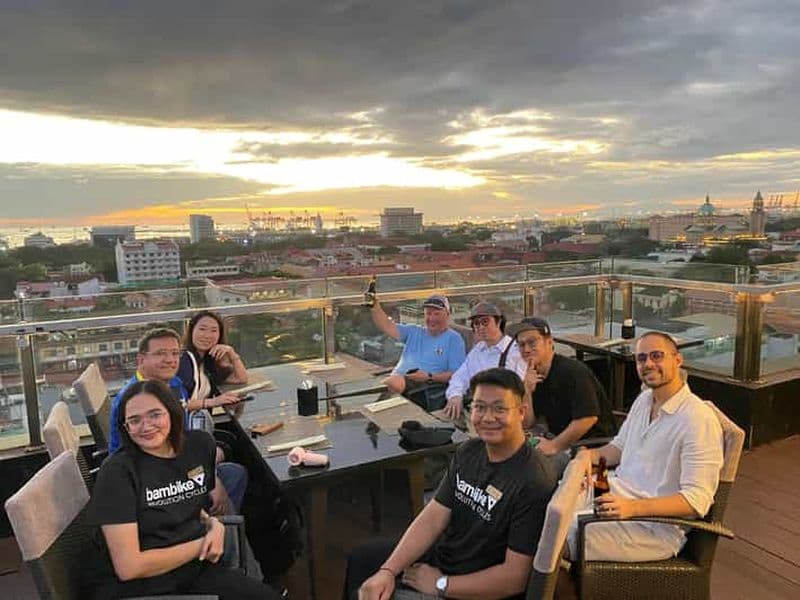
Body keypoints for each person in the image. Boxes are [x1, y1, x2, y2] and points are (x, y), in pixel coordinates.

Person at [346, 368, 558, 600]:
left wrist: (441, 583)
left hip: (476, 586)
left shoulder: (533, 480)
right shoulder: (469, 451)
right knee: (363, 561)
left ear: (520, 412)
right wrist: (388, 570)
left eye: (499, 408)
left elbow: (514, 578)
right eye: (479, 407)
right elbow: (434, 516)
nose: (488, 418)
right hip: (447, 557)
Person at [84, 380, 281, 600]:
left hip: (192, 571)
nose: (146, 426)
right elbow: (129, 566)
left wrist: (213, 525)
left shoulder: (198, 447)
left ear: (172, 413)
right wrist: (200, 546)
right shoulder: (117, 473)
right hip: (140, 588)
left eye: (155, 415)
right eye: (134, 420)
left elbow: (189, 506)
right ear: (125, 428)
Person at [568, 332, 724, 562]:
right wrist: (588, 457)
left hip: (654, 527)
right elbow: (618, 449)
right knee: (544, 507)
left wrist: (632, 508)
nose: (648, 364)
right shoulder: (644, 399)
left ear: (677, 360)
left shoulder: (697, 419)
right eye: (641, 358)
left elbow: (696, 501)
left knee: (557, 535)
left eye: (657, 356)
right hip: (613, 492)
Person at [109, 328, 247, 514]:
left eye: (175, 353)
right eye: (160, 354)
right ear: (141, 360)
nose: (170, 360)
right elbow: (152, 465)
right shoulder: (135, 402)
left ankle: (221, 527)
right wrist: (209, 479)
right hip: (155, 486)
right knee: (230, 476)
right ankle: (216, 529)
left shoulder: (173, 384)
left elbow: (182, 418)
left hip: (176, 463)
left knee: (234, 469)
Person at [506, 317, 611, 455]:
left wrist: (554, 446)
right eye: (521, 344)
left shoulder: (572, 371)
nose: (526, 349)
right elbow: (527, 424)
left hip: (591, 447)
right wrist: (527, 391)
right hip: (560, 443)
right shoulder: (534, 375)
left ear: (549, 342)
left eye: (532, 342)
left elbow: (588, 418)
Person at [370, 294, 465, 411]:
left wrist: (429, 377)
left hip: (424, 386)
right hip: (397, 380)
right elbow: (387, 326)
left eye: (437, 314)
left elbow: (456, 374)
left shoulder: (454, 339)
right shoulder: (415, 331)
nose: (432, 318)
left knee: (388, 385)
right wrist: (375, 306)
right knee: (373, 384)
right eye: (428, 314)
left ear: (448, 315)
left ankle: (368, 417)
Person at [443, 302, 526, 422]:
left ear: (498, 322)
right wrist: (455, 395)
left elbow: (519, 391)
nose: (481, 327)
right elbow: (460, 377)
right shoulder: (478, 349)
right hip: (477, 408)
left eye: (485, 322)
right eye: (476, 324)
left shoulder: (515, 351)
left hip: (503, 414)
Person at [177, 310, 249, 411]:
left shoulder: (208, 360)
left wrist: (231, 353)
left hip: (202, 421)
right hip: (186, 424)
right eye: (202, 329)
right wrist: (214, 402)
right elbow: (178, 403)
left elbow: (241, 379)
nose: (207, 335)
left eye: (214, 331)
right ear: (191, 331)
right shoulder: (184, 360)